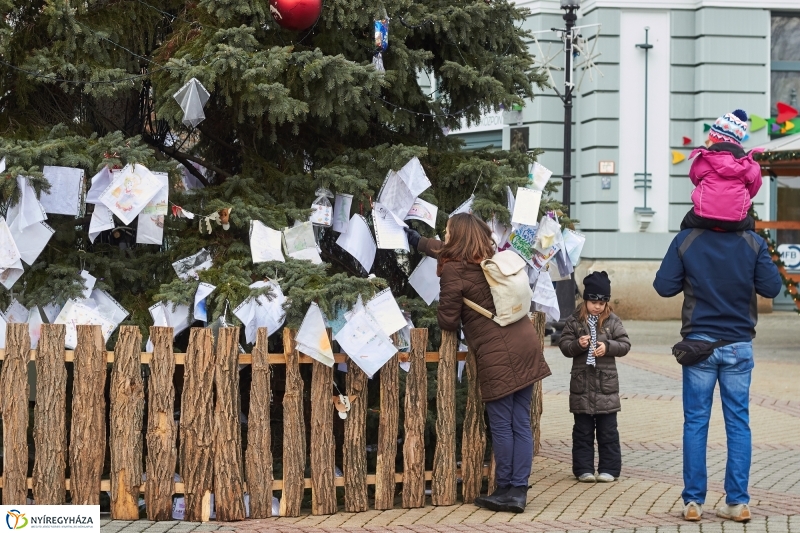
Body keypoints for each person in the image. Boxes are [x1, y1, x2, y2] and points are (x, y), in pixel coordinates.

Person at [405, 214, 551, 513]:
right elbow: (444, 249)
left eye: (447, 232)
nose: (443, 237)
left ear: (456, 236)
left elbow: (447, 319)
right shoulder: (489, 257)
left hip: (498, 352)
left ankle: (507, 491)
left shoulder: (455, 270)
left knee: (501, 422)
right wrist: (416, 241)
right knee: (520, 420)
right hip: (524, 341)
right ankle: (517, 489)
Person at [654, 222, 782, 522]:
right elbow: (772, 287)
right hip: (738, 345)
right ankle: (737, 503)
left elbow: (663, 287)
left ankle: (694, 503)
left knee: (696, 422)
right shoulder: (753, 241)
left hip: (699, 347)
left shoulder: (688, 238)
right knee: (739, 423)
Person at [559, 272, 630, 484]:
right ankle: (583, 469)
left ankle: (609, 469)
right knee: (582, 431)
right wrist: (577, 345)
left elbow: (625, 344)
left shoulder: (612, 321)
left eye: (601, 302)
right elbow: (564, 345)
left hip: (606, 387)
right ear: (585, 300)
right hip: (582, 387)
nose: (597, 307)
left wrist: (608, 347)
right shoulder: (575, 320)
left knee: (608, 432)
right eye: (593, 302)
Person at [681, 109, 763, 232]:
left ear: (714, 140)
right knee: (750, 228)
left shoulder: (703, 159)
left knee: (686, 226)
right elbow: (753, 188)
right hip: (736, 219)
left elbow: (694, 178)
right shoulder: (749, 164)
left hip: (703, 215)